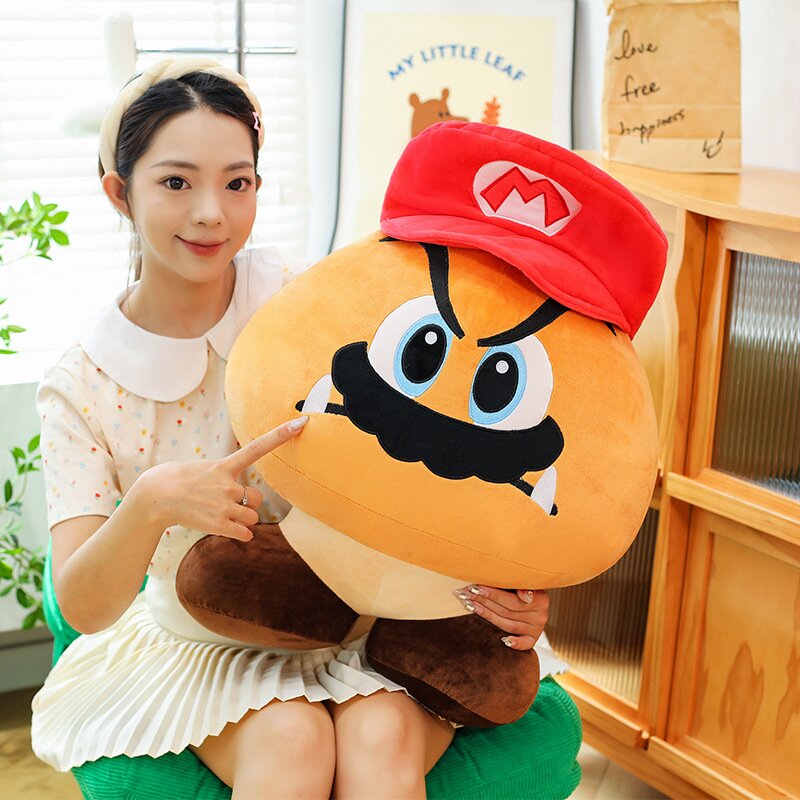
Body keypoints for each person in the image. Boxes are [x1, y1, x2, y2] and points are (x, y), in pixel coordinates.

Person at [30, 59, 550, 800]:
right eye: (176, 182)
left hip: (375, 615)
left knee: (379, 738)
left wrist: (519, 587)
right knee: (293, 742)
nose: (211, 213)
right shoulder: (81, 384)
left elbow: (446, 447)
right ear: (120, 192)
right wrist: (150, 504)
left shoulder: (315, 302)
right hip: (206, 641)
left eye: (237, 183)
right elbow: (83, 605)